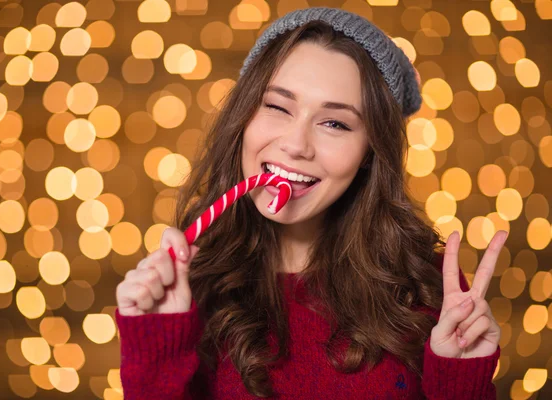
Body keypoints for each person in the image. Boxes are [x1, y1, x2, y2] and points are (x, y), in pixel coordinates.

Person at [115, 7, 505, 399]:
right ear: (244, 116)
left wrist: (460, 379)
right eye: (277, 106)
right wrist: (157, 348)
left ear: (370, 151)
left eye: (335, 123)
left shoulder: (423, 285)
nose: (296, 146)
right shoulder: (186, 290)